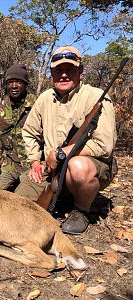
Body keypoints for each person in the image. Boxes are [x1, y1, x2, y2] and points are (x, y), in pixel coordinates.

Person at [15, 46, 117, 234]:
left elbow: (104, 146)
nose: (63, 75)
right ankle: (61, 194)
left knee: (77, 167)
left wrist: (61, 153)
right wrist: (35, 161)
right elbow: (29, 132)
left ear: (80, 72)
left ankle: (81, 211)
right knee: (16, 209)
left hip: (92, 166)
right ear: (52, 73)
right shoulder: (44, 98)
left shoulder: (96, 97)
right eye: (58, 70)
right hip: (52, 169)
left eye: (70, 70)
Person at [0, 64, 35, 191]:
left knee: (23, 199)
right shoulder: (0, 110)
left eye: (18, 82)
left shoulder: (37, 106)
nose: (14, 86)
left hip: (32, 165)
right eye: (10, 82)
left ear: (25, 84)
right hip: (10, 164)